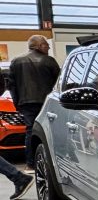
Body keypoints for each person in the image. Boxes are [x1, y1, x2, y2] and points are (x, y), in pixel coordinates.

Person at [9, 35, 61, 166]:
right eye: (46, 45)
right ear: (38, 46)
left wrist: (17, 103)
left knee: (30, 131)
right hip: (47, 103)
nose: (48, 47)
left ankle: (31, 163)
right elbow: (59, 83)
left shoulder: (16, 61)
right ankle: (54, 162)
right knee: (52, 131)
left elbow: (12, 85)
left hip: (26, 103)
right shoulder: (49, 61)